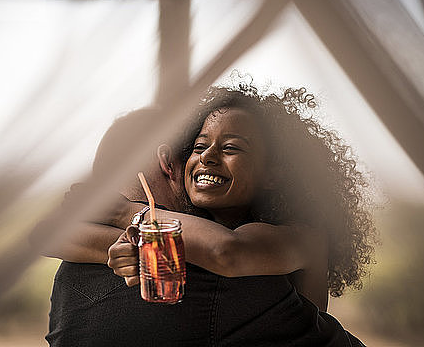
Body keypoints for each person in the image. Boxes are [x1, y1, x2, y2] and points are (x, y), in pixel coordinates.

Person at [40, 84, 374, 345]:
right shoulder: (189, 239)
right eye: (199, 147)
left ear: (273, 174)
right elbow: (48, 236)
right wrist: (133, 247)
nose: (209, 156)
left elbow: (226, 251)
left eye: (231, 148)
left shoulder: (300, 237)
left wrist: (123, 212)